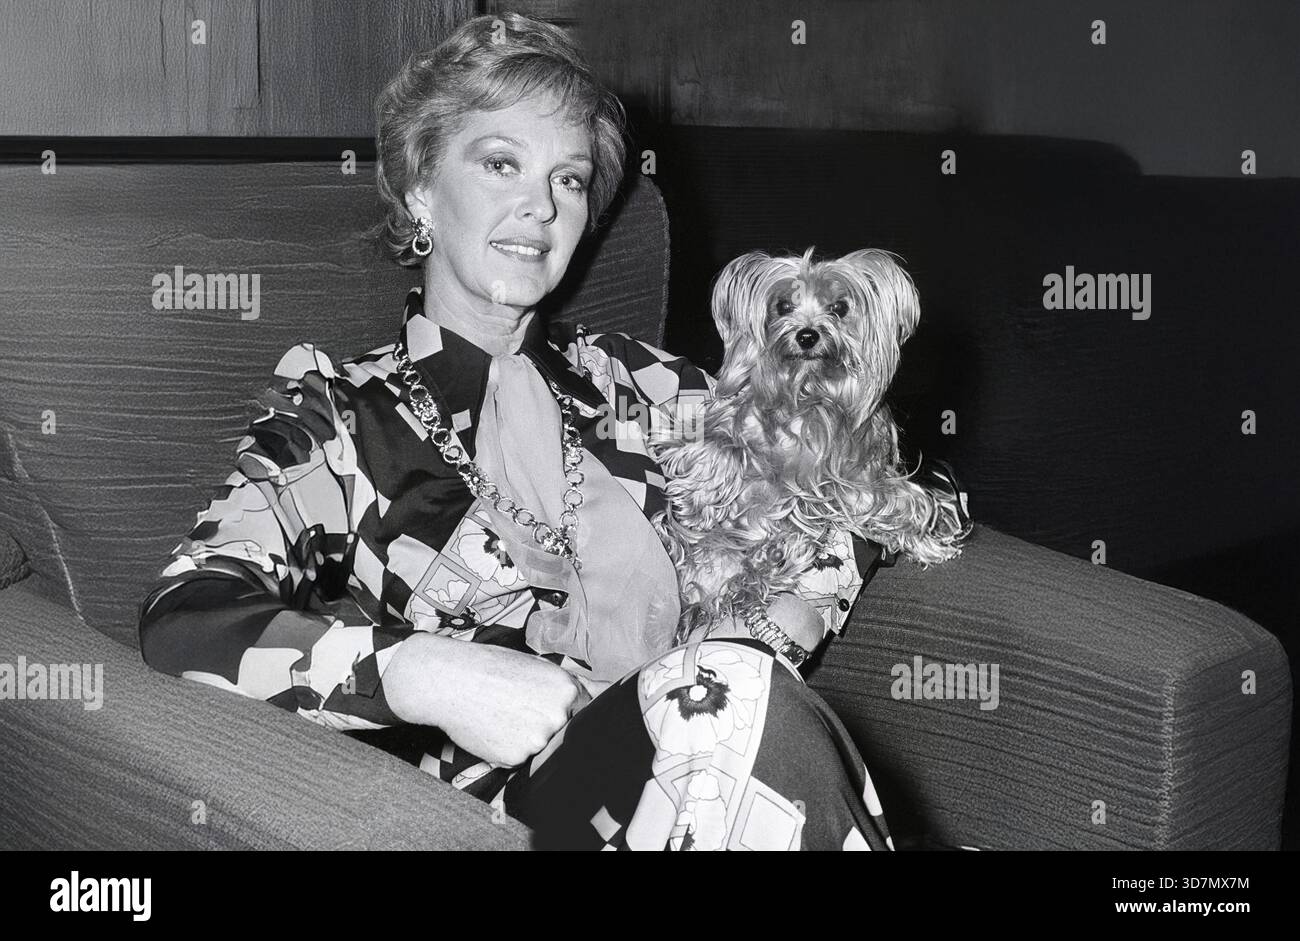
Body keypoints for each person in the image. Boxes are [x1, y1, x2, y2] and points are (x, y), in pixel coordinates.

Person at [138, 11, 895, 851]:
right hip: (504, 815)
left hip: (721, 771)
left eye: (569, 180)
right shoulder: (339, 416)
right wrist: (422, 674)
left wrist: (785, 614)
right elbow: (186, 614)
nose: (539, 206)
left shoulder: (637, 384)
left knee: (731, 693)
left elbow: (872, 474)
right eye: (502, 163)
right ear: (422, 186)